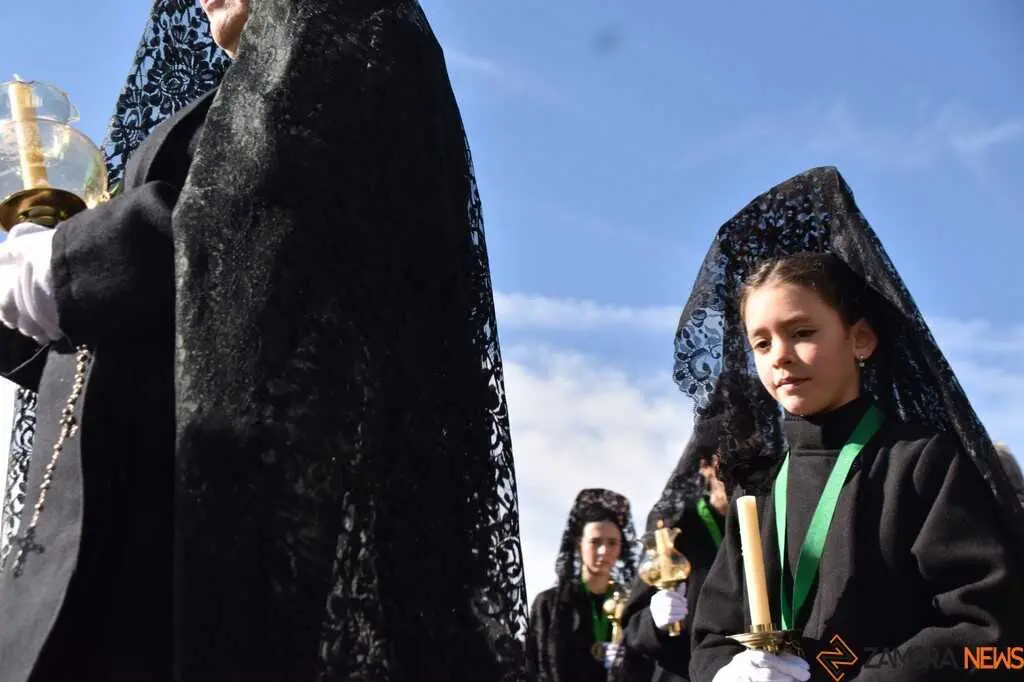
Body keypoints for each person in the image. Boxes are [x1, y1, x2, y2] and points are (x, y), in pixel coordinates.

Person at [0, 1, 527, 681]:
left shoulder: (358, 38)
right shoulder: (221, 107)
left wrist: (67, 264)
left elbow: (248, 224)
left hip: (189, 571)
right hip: (100, 558)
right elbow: (158, 330)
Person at [669, 167, 1024, 682]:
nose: (781, 357)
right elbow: (712, 638)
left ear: (860, 339)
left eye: (802, 331)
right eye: (762, 343)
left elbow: (992, 643)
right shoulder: (760, 486)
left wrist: (841, 675)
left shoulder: (922, 464)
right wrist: (730, 672)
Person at [614, 378, 751, 682]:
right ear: (704, 465)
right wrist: (656, 620)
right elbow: (634, 628)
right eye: (725, 459)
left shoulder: (759, 521)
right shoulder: (675, 524)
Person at [526, 488, 638, 682]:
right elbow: (532, 667)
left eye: (612, 543)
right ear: (579, 544)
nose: (604, 551)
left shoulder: (630, 604)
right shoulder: (550, 605)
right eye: (595, 542)